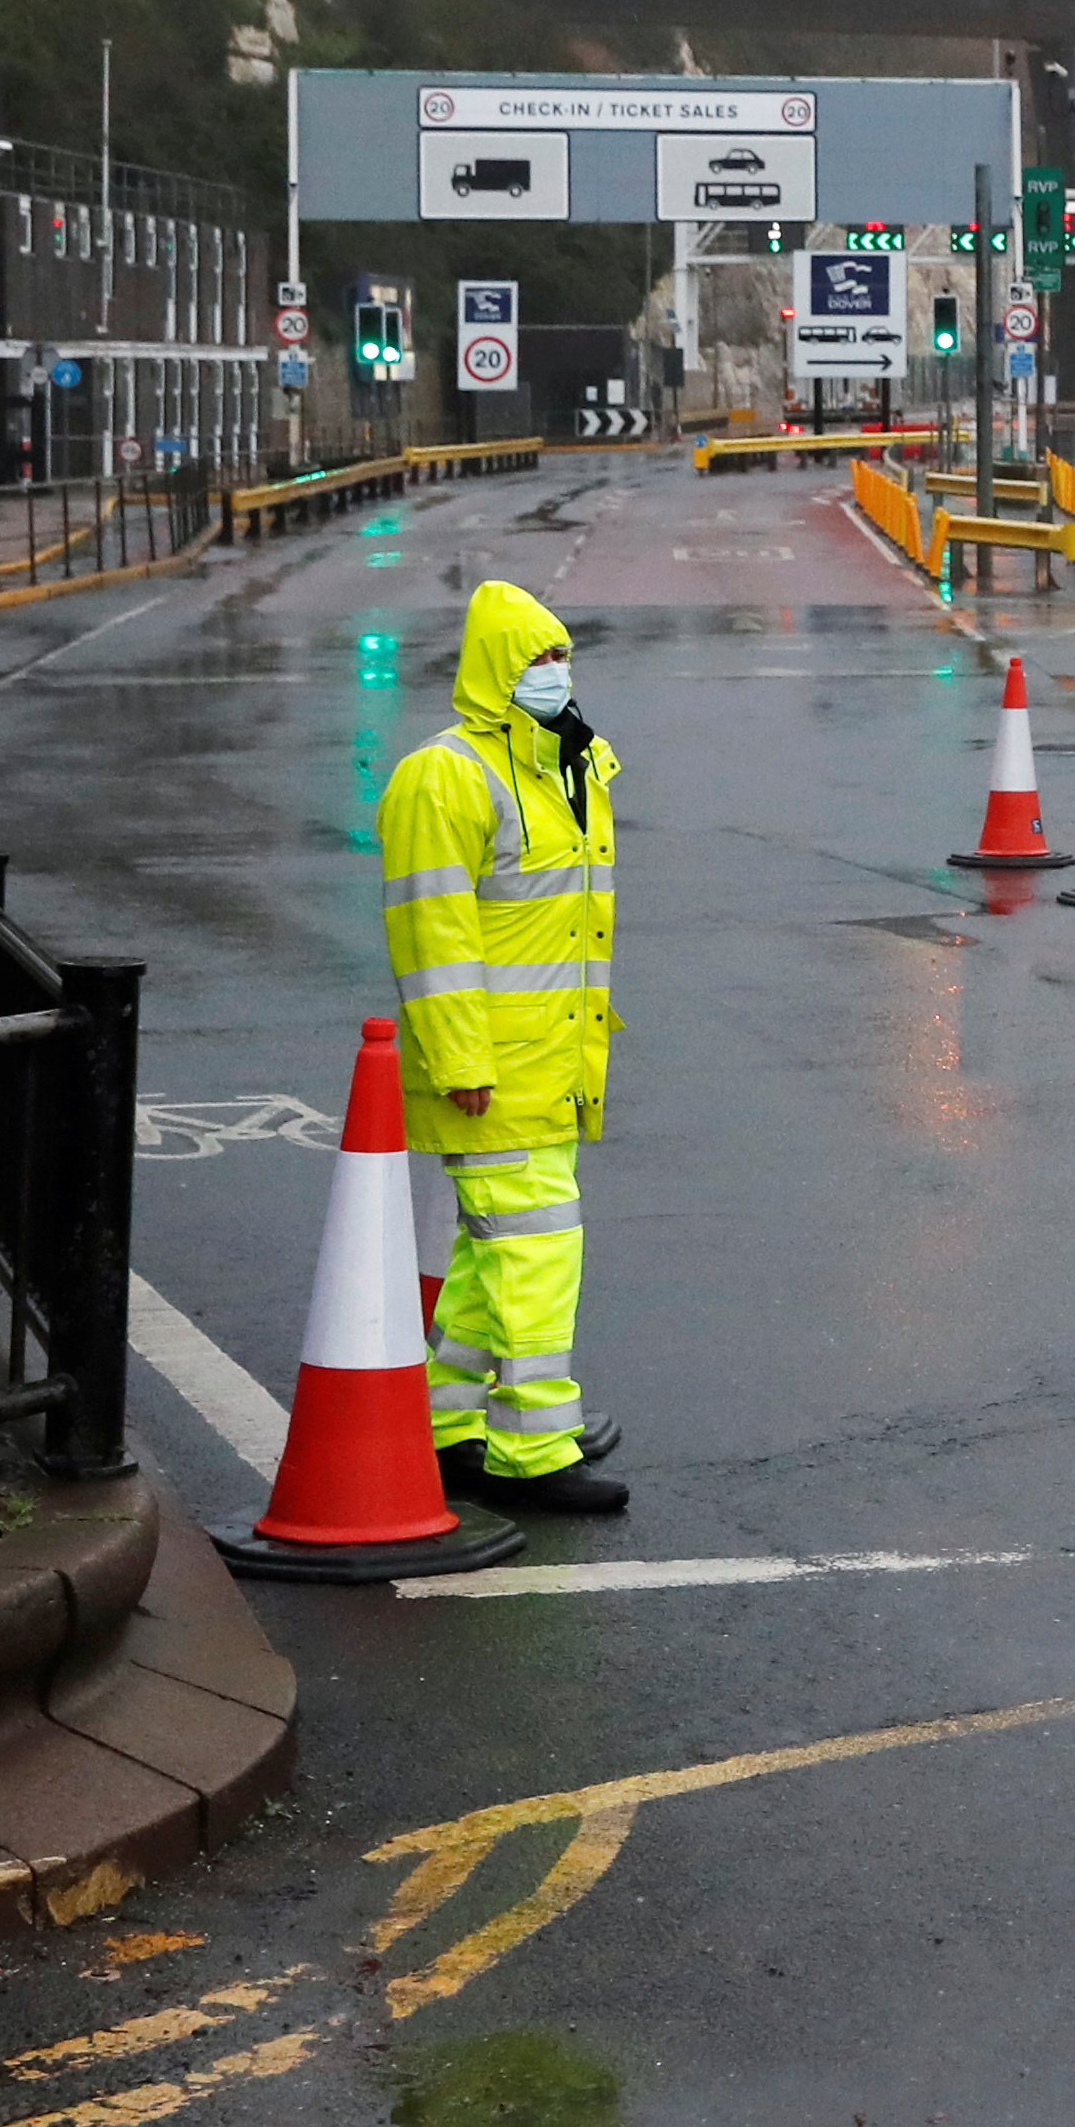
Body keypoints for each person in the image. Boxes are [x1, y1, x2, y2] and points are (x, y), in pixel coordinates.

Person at [380, 580, 627, 1513]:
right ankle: (537, 1449)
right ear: (493, 668)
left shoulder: (570, 763)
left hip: (554, 1064)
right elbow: (431, 934)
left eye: (559, 653)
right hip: (491, 1071)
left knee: (494, 1254)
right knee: (537, 1250)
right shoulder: (445, 777)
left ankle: (450, 1427)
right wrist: (462, 1061)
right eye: (532, 657)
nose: (552, 671)